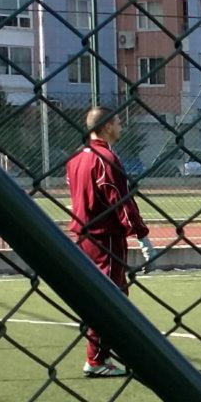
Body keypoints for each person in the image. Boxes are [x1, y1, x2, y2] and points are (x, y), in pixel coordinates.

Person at [63, 105, 153, 379]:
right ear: (106, 127)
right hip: (106, 238)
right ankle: (97, 359)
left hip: (83, 237)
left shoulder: (76, 157)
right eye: (118, 122)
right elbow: (121, 201)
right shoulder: (106, 159)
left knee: (99, 296)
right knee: (112, 298)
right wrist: (141, 234)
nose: (121, 127)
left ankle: (105, 353)